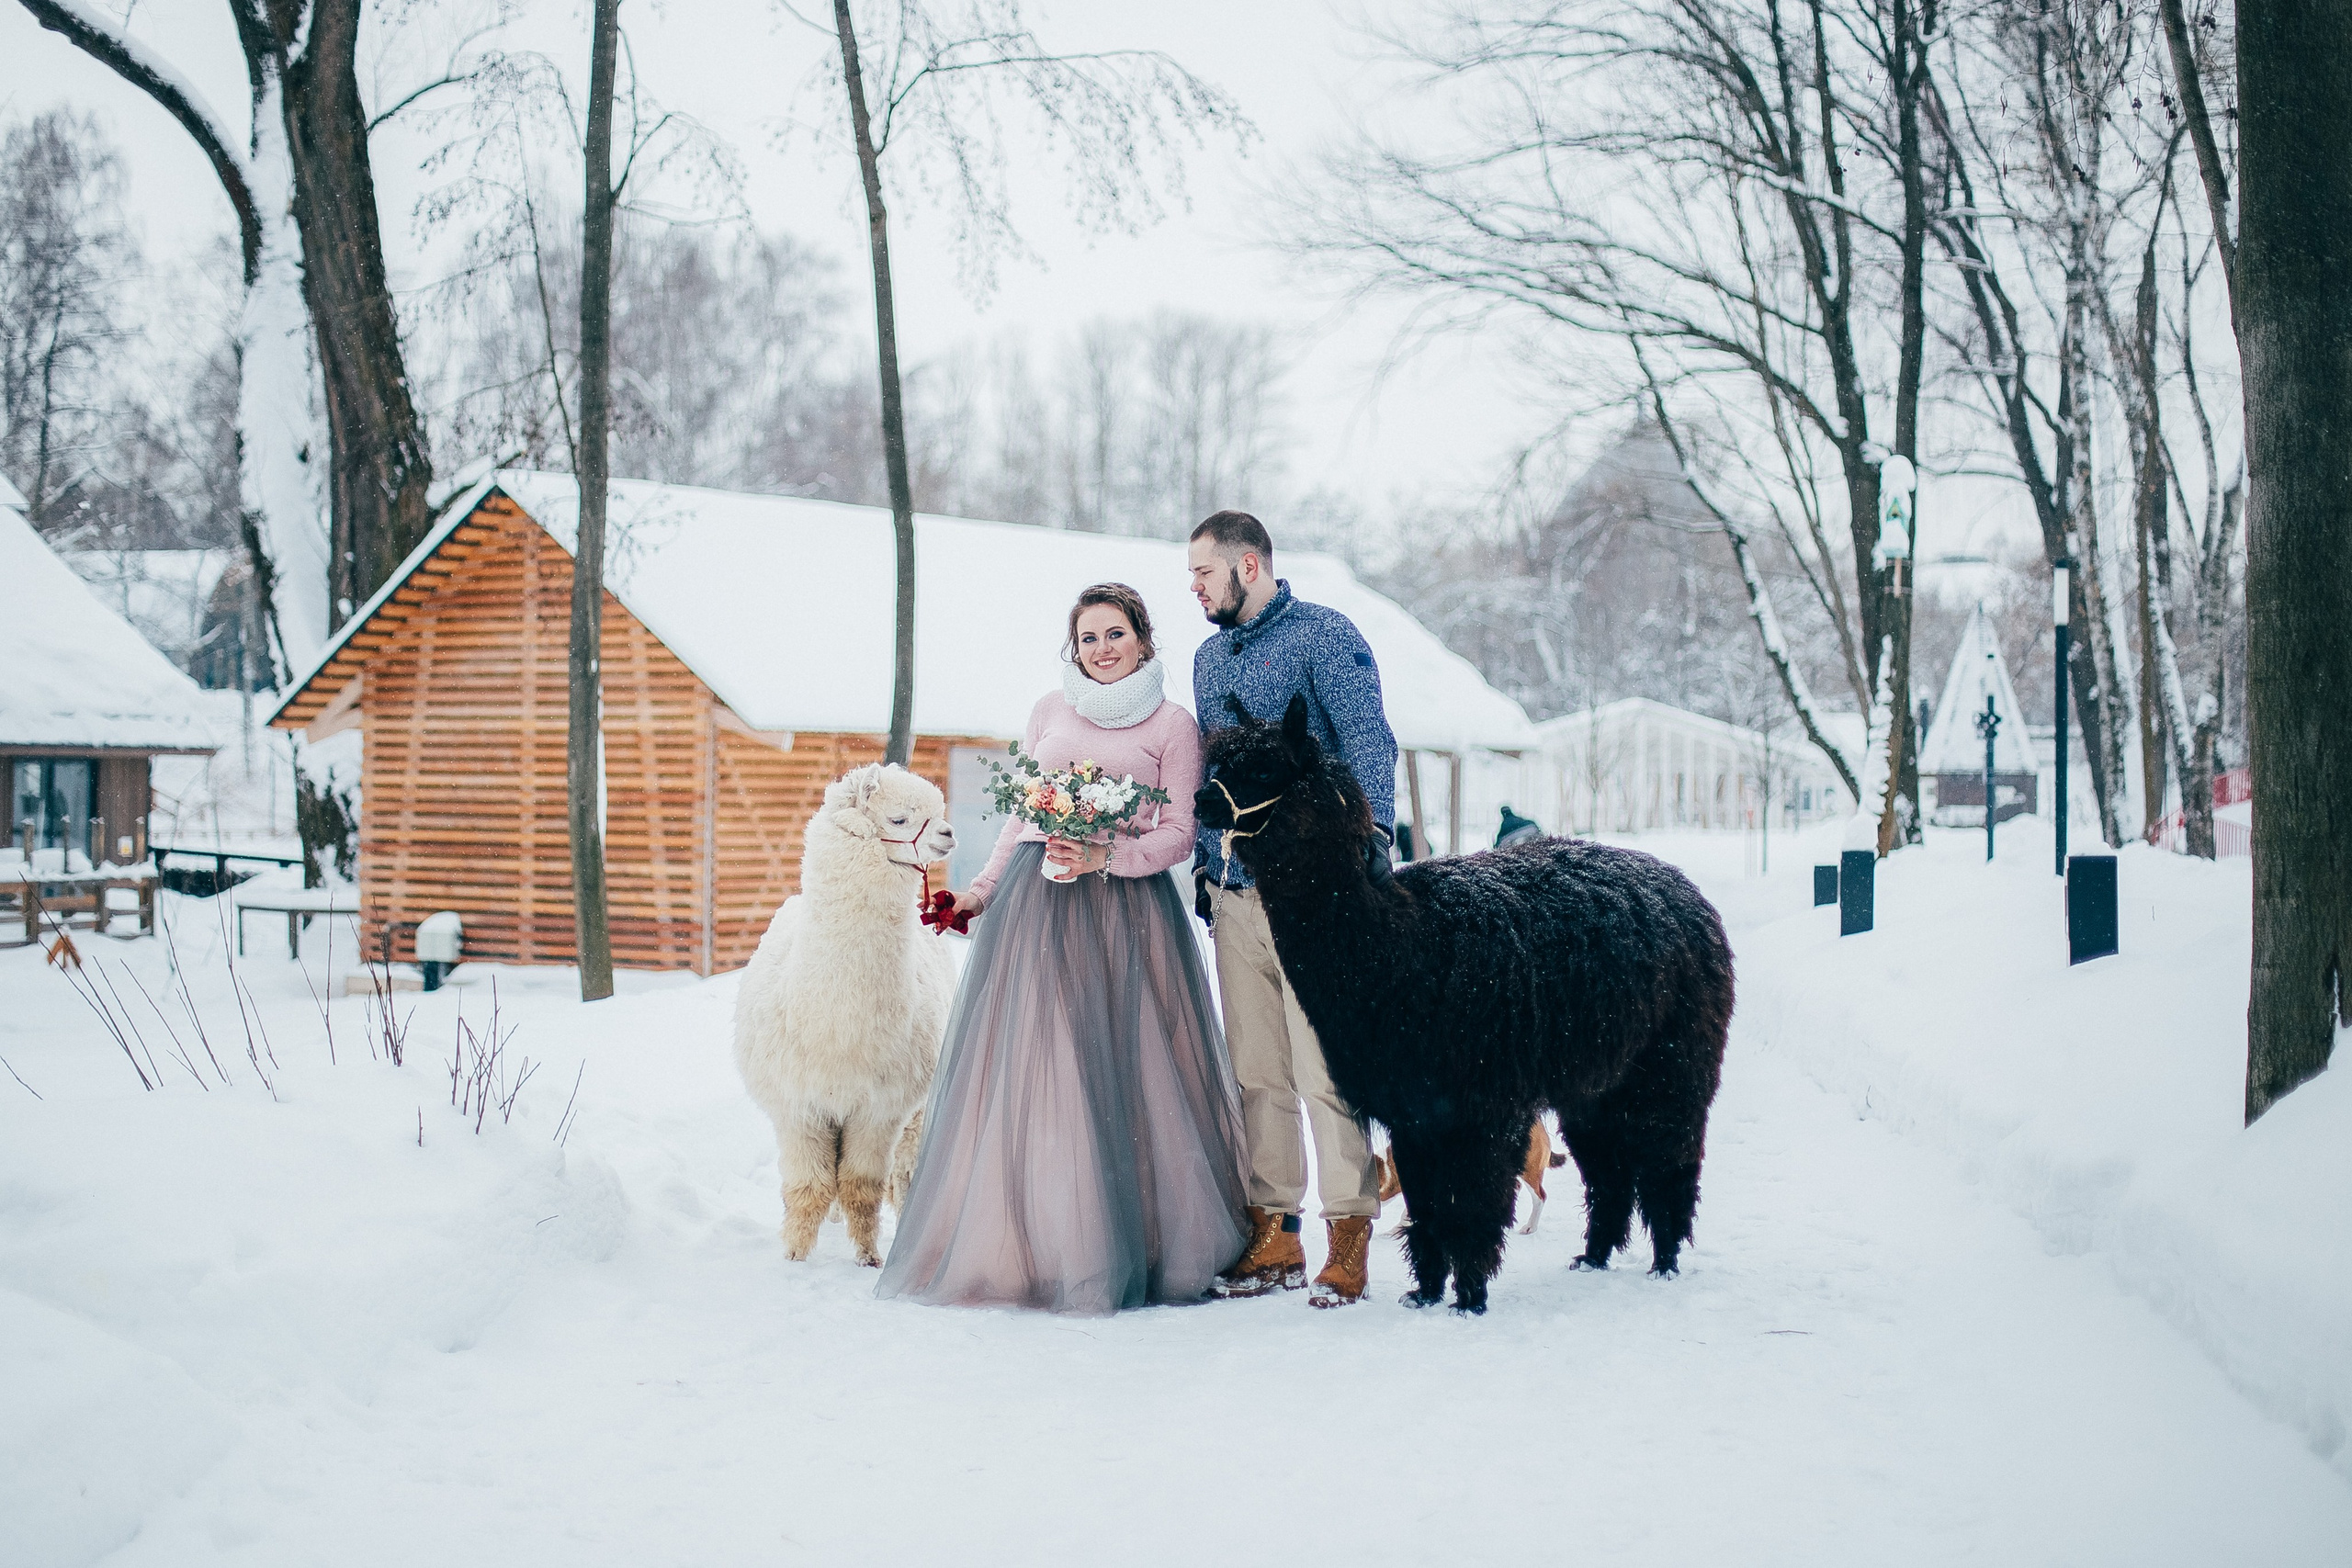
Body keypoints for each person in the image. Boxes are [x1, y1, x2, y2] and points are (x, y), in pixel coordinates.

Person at [876, 583, 1248, 1315]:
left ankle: (1132, 1241)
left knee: (1129, 1075)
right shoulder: (1050, 710)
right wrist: (978, 893)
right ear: (1072, 648)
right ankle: (1036, 1244)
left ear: (1143, 638)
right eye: (1088, 638)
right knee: (1041, 1076)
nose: (1102, 649)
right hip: (1037, 911)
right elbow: (1020, 821)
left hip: (1127, 915)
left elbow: (1178, 833)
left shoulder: (1173, 725)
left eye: (1115, 634)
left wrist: (1107, 852)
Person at [1187, 509, 1399, 1308]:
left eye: (1204, 573)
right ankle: (1275, 1227)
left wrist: (1374, 837)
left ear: (1248, 564)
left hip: (1318, 896)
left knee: (1323, 1066)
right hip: (1235, 894)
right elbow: (1216, 778)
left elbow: (1369, 740)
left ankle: (1350, 1226)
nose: (1196, 589)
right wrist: (1206, 871)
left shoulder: (1324, 634)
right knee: (1257, 1071)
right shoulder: (1209, 660)